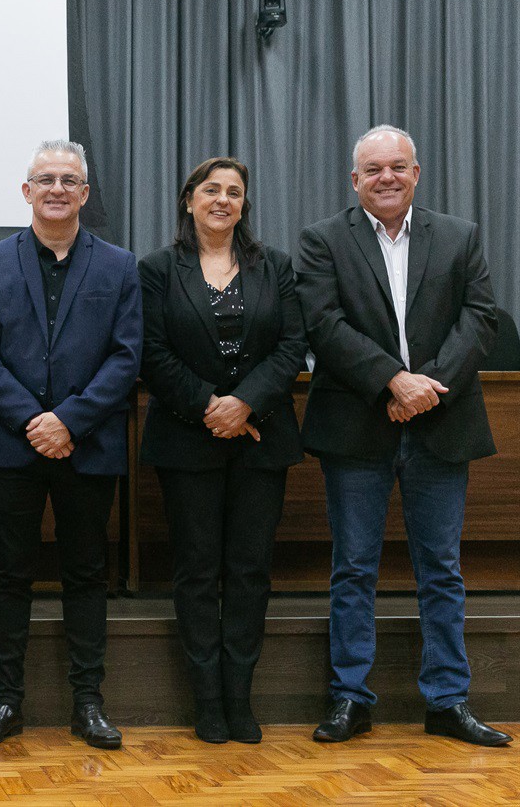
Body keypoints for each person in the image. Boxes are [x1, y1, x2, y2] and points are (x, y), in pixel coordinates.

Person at [298, 125, 509, 747]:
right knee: (353, 567)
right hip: (357, 426)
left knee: (441, 568)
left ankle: (447, 700)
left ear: (416, 172)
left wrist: (427, 387)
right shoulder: (322, 241)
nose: (386, 177)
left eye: (398, 166)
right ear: (354, 180)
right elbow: (324, 324)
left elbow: (481, 317)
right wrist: (393, 381)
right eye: (373, 169)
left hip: (441, 421)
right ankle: (349, 698)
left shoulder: (460, 236)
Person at [0, 140, 141, 750]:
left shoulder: (118, 265)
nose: (57, 189)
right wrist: (33, 421)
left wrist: (69, 420)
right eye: (46, 179)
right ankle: (5, 701)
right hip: (13, 446)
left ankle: (88, 704)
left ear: (85, 193)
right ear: (26, 191)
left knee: (86, 574)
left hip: (87, 446)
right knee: (9, 574)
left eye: (70, 180)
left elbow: (126, 356)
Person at [137, 157, 307, 744]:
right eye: (211, 190)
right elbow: (151, 352)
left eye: (234, 193)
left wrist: (245, 405)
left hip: (262, 440)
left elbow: (292, 346)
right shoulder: (158, 269)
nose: (223, 200)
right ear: (189, 200)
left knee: (250, 570)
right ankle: (207, 700)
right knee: (196, 569)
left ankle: (241, 697)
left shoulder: (276, 267)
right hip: (187, 440)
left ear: (244, 205)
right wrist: (211, 406)